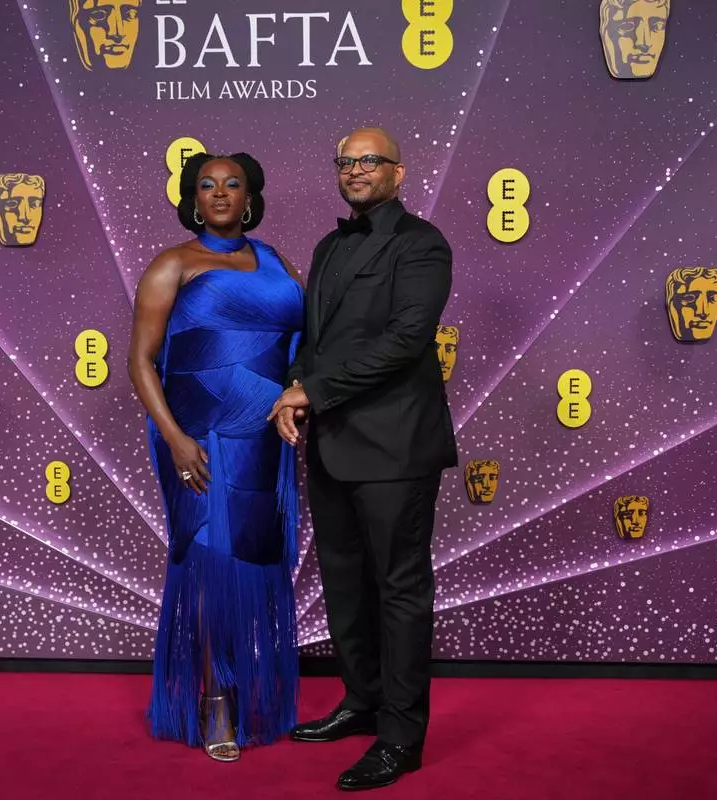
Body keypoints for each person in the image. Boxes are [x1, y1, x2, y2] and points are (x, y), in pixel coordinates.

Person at [268, 127, 457, 791]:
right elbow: (317, 343)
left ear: (399, 172)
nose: (354, 170)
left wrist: (310, 390)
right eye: (345, 161)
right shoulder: (328, 245)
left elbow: (407, 341)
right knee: (346, 587)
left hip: (396, 446)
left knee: (399, 593)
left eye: (368, 161)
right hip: (332, 444)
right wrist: (297, 387)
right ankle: (362, 701)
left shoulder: (421, 243)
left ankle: (401, 739)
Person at [128, 152, 304, 762]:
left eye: (233, 184)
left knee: (253, 556)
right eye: (208, 185)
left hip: (263, 436)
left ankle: (251, 687)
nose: (221, 193)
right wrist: (176, 438)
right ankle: (215, 701)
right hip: (197, 437)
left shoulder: (279, 263)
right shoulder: (171, 264)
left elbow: (302, 345)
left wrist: (298, 393)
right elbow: (140, 362)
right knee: (207, 561)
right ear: (192, 198)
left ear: (251, 195)